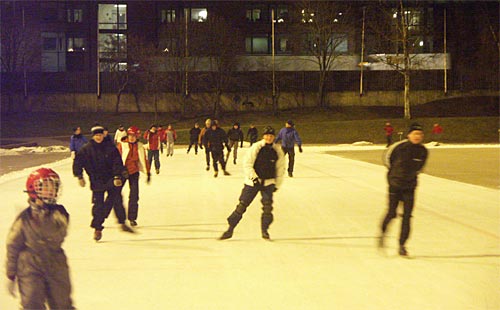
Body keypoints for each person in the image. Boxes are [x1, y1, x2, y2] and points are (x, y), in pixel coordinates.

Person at [6, 168, 74, 309]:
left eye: (53, 187)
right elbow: (13, 244)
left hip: (56, 263)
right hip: (30, 265)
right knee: (32, 302)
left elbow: (58, 233)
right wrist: (11, 273)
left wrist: (46, 212)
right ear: (33, 190)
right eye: (46, 187)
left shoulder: (59, 213)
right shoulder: (25, 218)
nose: (51, 190)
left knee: (62, 302)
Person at [220, 126, 285, 240]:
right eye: (267, 135)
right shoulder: (256, 147)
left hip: (268, 182)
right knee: (242, 206)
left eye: (271, 136)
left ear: (274, 137)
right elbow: (247, 163)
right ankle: (230, 229)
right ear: (263, 136)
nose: (269, 138)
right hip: (253, 182)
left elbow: (280, 168)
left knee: (267, 208)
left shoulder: (277, 150)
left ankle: (264, 230)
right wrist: (253, 178)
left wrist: (277, 184)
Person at [73, 125, 134, 241]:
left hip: (111, 178)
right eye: (96, 135)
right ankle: (97, 228)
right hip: (96, 180)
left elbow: (117, 162)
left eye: (100, 135)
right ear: (93, 136)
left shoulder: (110, 148)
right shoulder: (86, 149)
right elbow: (78, 162)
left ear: (103, 135)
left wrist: (117, 176)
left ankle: (122, 222)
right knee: (98, 206)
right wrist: (79, 176)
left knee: (116, 199)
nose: (99, 137)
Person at [379, 123, 428, 257]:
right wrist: (394, 174)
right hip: (395, 185)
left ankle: (402, 245)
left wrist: (410, 177)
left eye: (420, 134)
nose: (418, 136)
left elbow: (420, 167)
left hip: (410, 187)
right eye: (415, 134)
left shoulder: (423, 151)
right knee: (392, 213)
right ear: (409, 135)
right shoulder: (399, 147)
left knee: (407, 217)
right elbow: (387, 159)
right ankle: (383, 234)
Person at [117, 126, 151, 227]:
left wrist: (148, 173)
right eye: (130, 135)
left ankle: (132, 218)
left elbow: (144, 160)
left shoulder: (140, 146)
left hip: (134, 172)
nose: (132, 138)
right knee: (115, 194)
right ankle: (108, 214)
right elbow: (116, 159)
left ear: (137, 136)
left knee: (134, 195)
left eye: (134, 136)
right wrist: (120, 171)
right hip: (122, 172)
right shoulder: (122, 145)